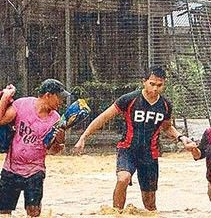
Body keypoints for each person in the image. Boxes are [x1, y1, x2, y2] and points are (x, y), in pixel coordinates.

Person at [74, 66, 188, 212]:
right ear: (144, 82)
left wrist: (181, 137)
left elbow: (167, 127)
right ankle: (116, 213)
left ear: (164, 84)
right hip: (127, 149)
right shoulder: (129, 99)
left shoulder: (165, 105)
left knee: (150, 204)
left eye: (159, 85)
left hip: (150, 154)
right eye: (152, 84)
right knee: (123, 179)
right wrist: (84, 136)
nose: (155, 89)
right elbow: (104, 117)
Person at [0, 80, 68, 217]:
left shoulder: (56, 119)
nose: (61, 101)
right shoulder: (22, 104)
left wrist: (60, 140)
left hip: (35, 170)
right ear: (48, 95)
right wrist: (5, 97)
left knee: (34, 211)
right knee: (3, 211)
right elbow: (1, 120)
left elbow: (53, 150)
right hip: (11, 168)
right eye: (59, 97)